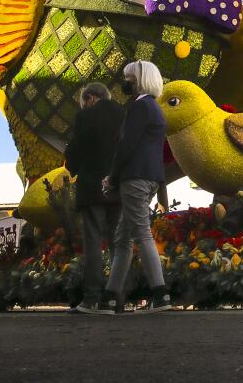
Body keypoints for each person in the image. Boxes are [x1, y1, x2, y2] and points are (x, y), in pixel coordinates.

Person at [91, 60, 172, 314]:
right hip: (148, 178)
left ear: (139, 81)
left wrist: (112, 177)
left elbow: (126, 146)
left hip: (134, 178)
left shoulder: (140, 108)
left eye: (129, 78)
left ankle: (160, 295)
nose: (126, 82)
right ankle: (110, 297)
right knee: (123, 237)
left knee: (140, 233)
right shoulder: (155, 108)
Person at [65, 82, 126, 313]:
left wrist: (71, 162)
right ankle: (117, 298)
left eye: (83, 102)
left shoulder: (86, 116)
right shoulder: (124, 113)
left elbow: (75, 153)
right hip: (118, 187)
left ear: (90, 98)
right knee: (117, 244)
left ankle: (92, 298)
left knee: (93, 243)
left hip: (92, 188)